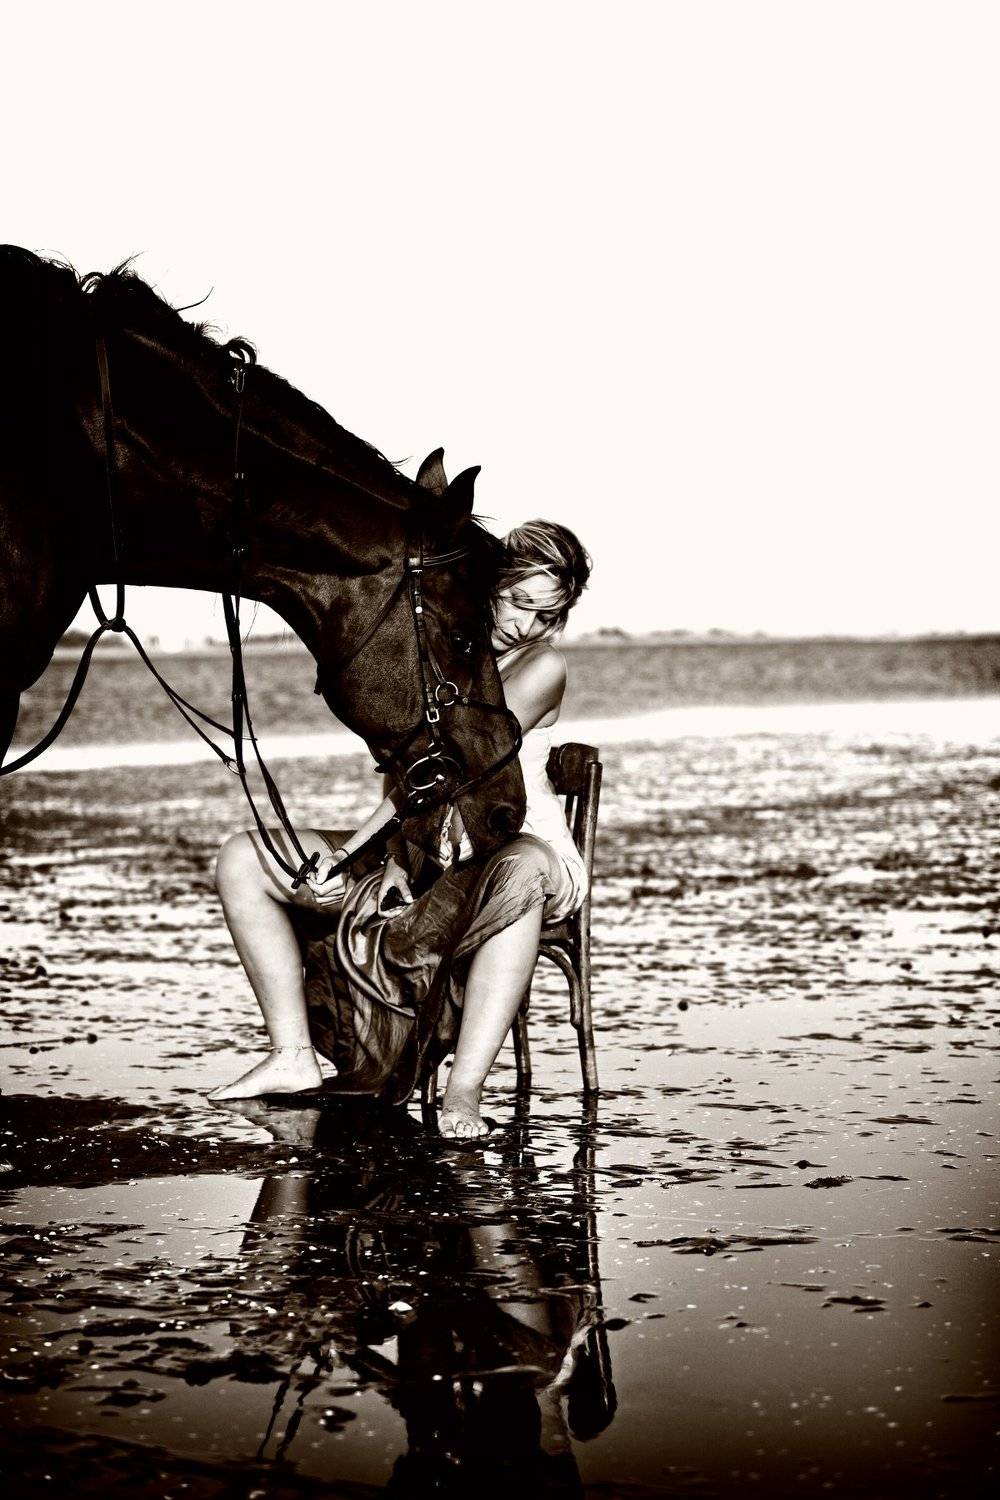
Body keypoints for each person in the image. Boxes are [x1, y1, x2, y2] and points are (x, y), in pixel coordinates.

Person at [210, 519, 591, 1138]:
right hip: (422, 846)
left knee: (516, 873)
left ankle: (464, 1092)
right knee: (243, 858)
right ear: (490, 586)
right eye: (518, 601)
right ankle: (292, 1055)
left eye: (545, 614)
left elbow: (451, 765)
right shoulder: (440, 652)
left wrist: (366, 852)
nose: (526, 624)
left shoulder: (542, 665)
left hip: (523, 848)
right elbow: (407, 774)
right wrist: (388, 858)